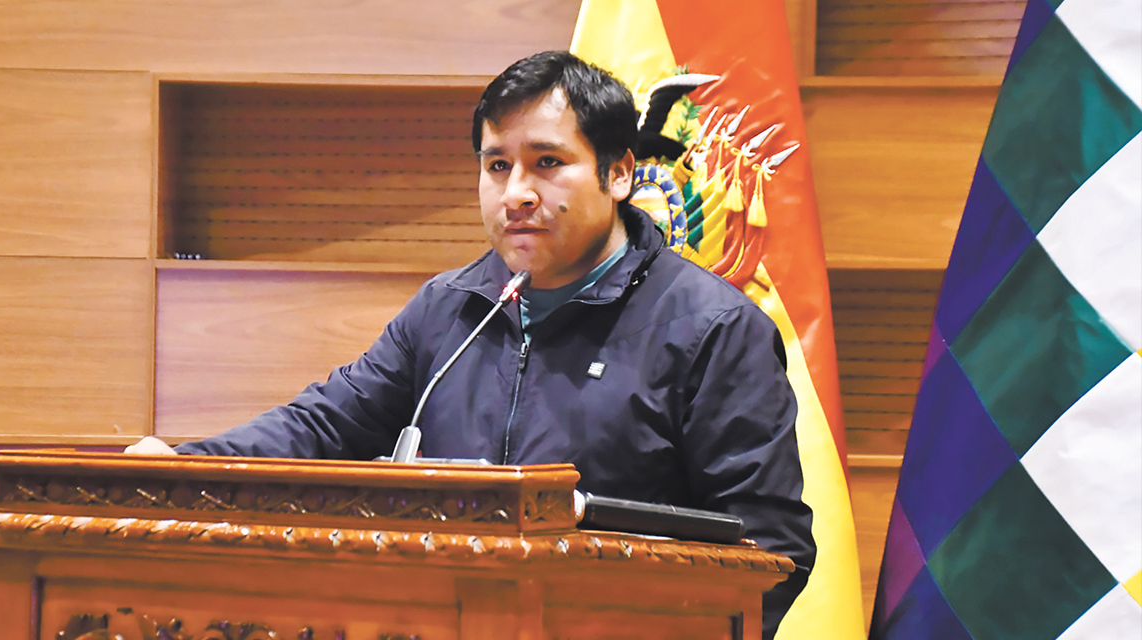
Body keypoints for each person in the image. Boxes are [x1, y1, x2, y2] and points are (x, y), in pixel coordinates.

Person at [127, 50, 814, 638]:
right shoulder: (451, 307)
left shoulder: (711, 328)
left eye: (548, 163)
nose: (516, 193)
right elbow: (324, 423)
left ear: (620, 173)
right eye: (496, 167)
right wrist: (187, 466)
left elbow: (769, 549)